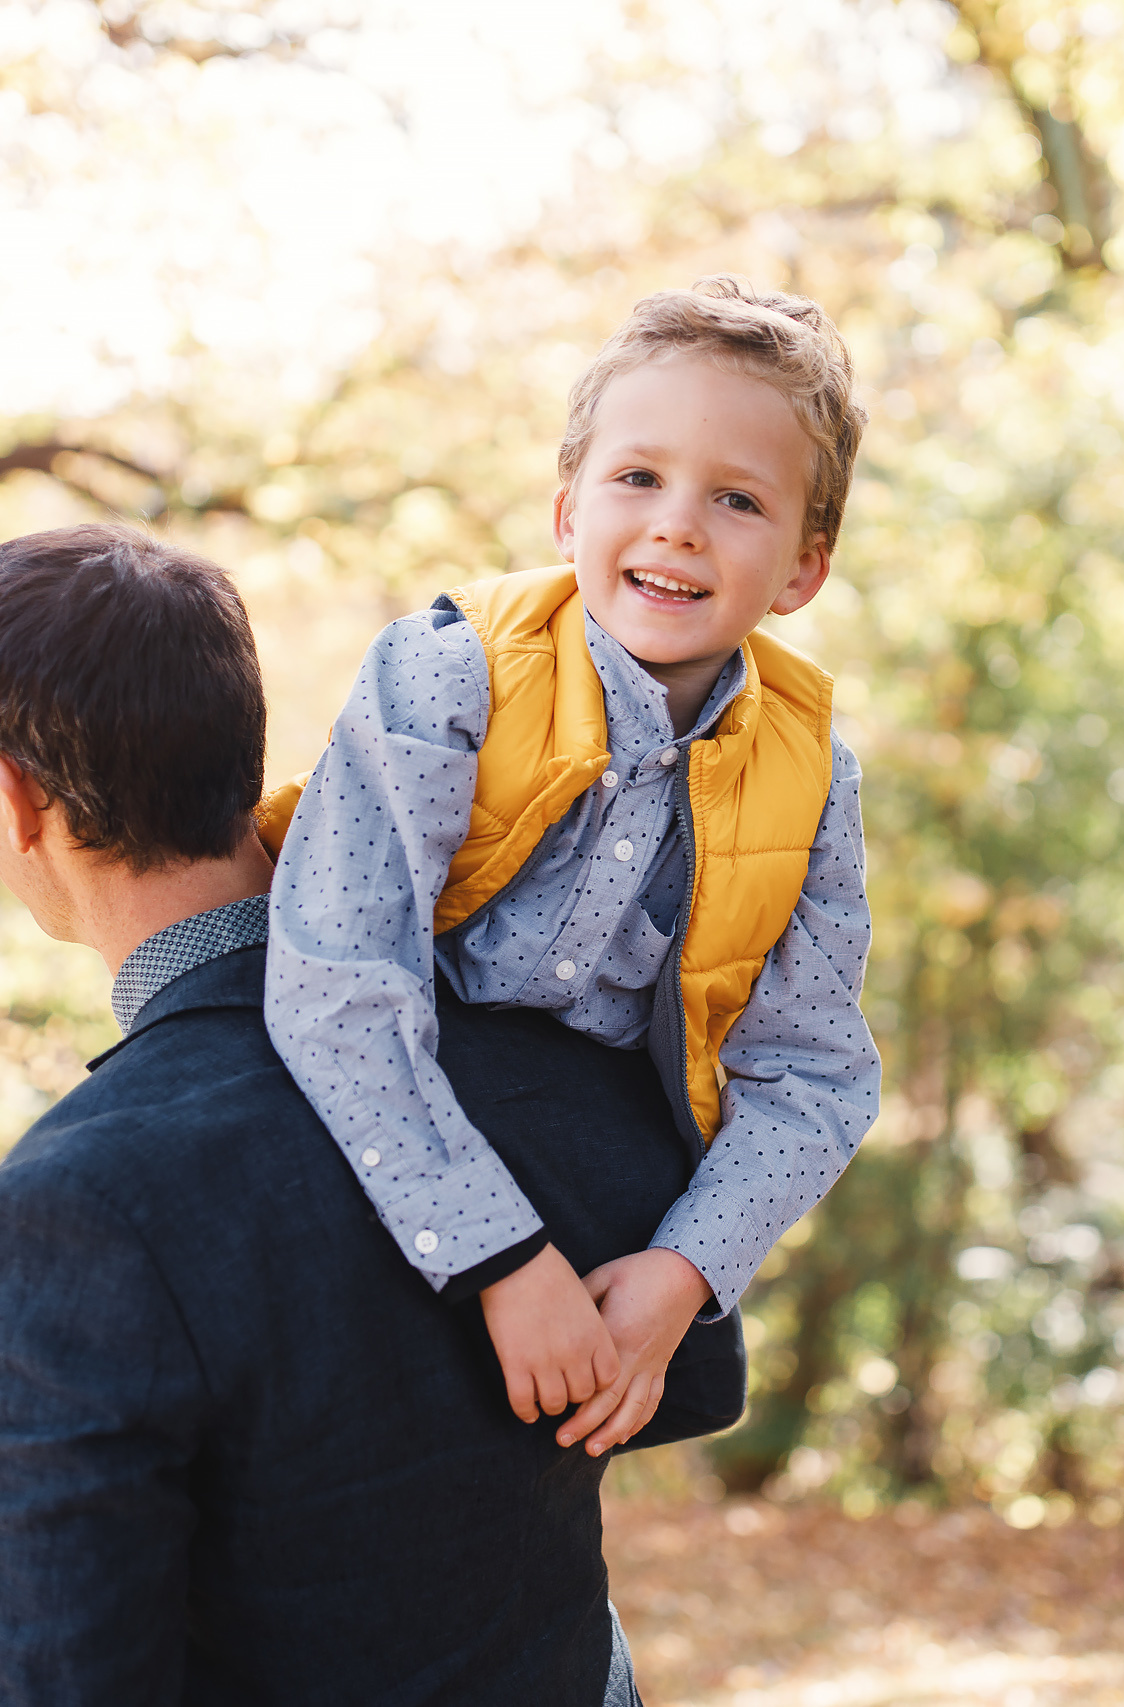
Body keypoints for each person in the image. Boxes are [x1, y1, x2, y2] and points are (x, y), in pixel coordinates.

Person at [0, 524, 742, 1705]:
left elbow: (65, 1680)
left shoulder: (76, 1205)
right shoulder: (521, 1038)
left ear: (15, 798)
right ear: (237, 748)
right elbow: (696, 1374)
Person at [260, 275, 879, 1457]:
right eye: (636, 478)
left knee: (571, 1453)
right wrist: (499, 1256)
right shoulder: (451, 673)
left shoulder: (808, 774)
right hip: (386, 1112)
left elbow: (813, 1074)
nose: (675, 525)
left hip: (588, 1159)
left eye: (735, 499)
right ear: (565, 512)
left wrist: (683, 1276)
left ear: (803, 569)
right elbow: (341, 975)